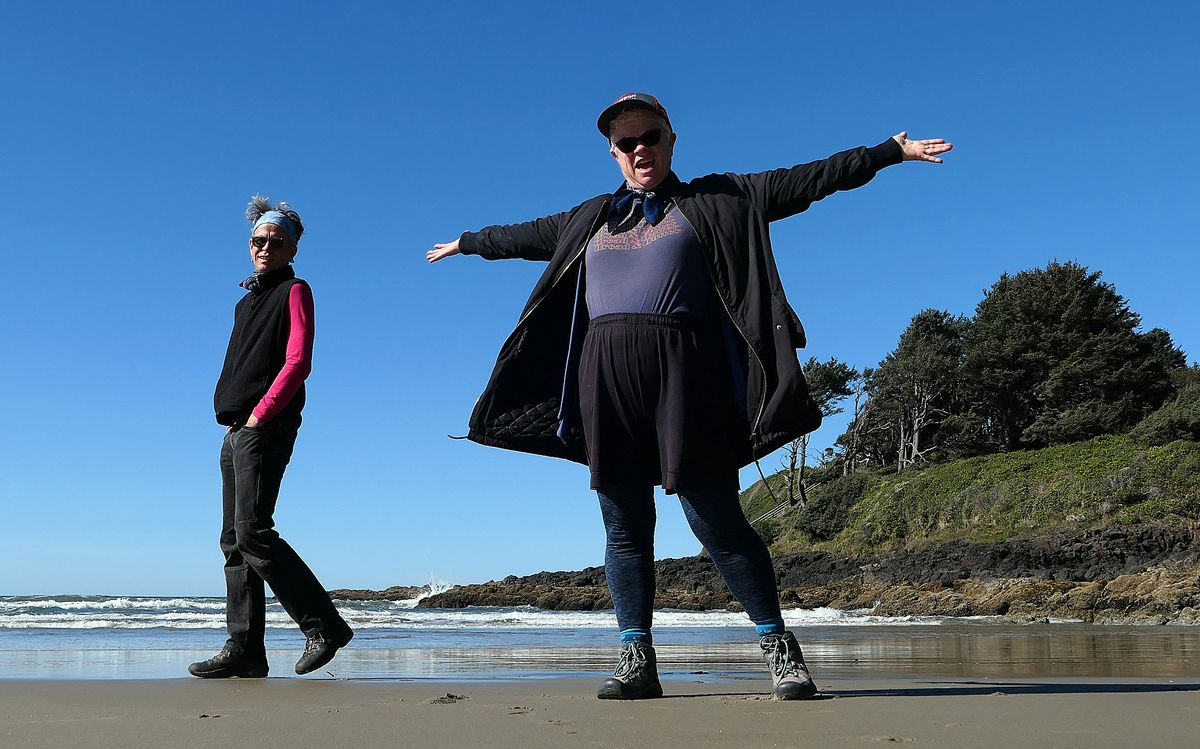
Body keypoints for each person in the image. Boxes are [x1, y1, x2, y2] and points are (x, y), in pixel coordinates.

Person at [427, 93, 952, 700]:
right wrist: (467, 241)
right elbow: (521, 235)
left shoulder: (719, 198)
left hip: (686, 373)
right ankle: (636, 659)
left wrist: (888, 152)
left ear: (670, 139)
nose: (639, 149)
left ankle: (779, 648)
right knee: (623, 522)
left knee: (715, 517)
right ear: (613, 153)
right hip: (605, 376)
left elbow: (808, 181)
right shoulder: (590, 217)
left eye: (649, 135)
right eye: (626, 143)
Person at [189, 197, 353, 679]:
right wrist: (237, 420)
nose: (265, 248)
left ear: (292, 247)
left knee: (254, 532)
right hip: (236, 430)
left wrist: (261, 416)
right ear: (249, 245)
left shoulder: (295, 291)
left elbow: (298, 362)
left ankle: (324, 626)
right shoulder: (245, 302)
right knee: (233, 543)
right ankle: (244, 649)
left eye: (275, 242)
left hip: (267, 426)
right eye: (258, 241)